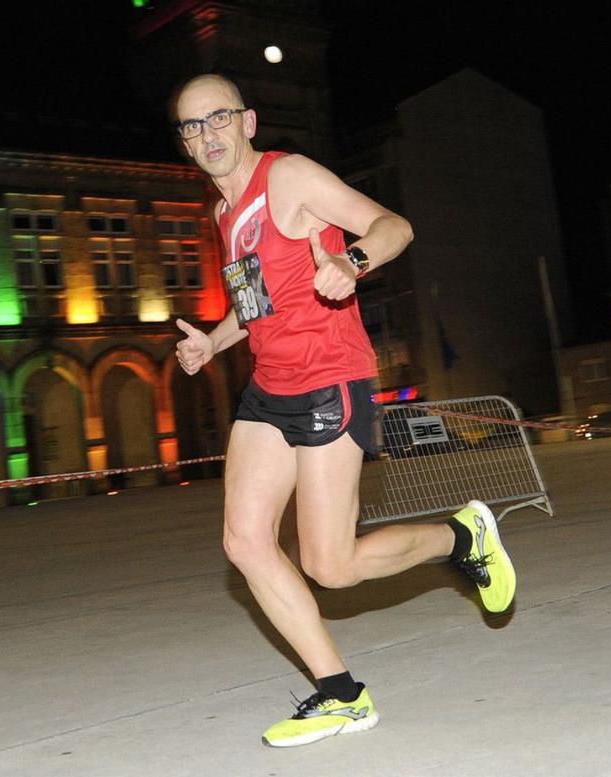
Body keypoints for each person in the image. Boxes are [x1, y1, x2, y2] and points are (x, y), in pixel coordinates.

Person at [171, 74, 516, 748]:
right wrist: (212, 341)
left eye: (218, 118)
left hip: (330, 377)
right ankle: (342, 695)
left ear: (246, 122)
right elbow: (257, 302)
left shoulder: (290, 177)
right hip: (270, 386)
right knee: (244, 541)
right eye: (191, 126)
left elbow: (394, 226)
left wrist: (352, 261)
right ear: (184, 142)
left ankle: (464, 538)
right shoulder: (222, 215)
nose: (207, 134)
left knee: (329, 565)